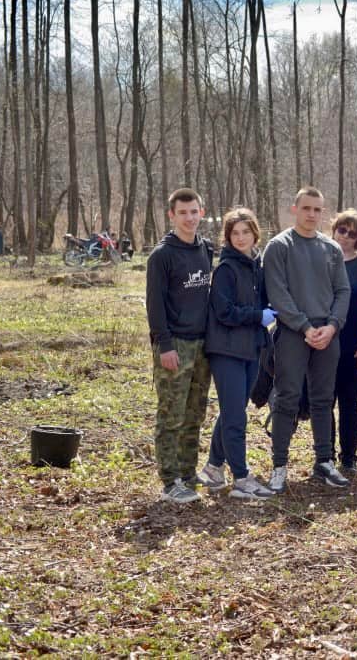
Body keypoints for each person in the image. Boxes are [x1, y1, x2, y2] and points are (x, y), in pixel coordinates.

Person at [263, 187, 352, 494]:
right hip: (292, 332)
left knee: (324, 399)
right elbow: (277, 293)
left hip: (327, 334)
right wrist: (302, 326)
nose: (312, 214)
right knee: (287, 397)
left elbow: (343, 290)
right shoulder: (279, 246)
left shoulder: (331, 249)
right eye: (306, 208)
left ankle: (324, 461)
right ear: (294, 209)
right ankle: (279, 465)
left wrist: (332, 326)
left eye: (317, 209)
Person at [197, 208, 276, 499]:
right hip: (226, 350)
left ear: (255, 233)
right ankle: (241, 478)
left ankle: (214, 468)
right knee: (234, 417)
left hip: (251, 348)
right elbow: (224, 311)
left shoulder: (257, 266)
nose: (241, 238)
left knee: (234, 411)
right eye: (235, 233)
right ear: (228, 238)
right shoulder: (226, 270)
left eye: (246, 232)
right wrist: (259, 316)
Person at [145, 187, 214, 504]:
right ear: (171, 215)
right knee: (171, 414)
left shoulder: (206, 249)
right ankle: (170, 479)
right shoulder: (162, 255)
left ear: (202, 212)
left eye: (194, 211)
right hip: (175, 345)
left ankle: (188, 471)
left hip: (202, 344)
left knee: (195, 413)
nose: (189, 218)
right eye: (182, 213)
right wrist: (165, 345)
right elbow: (155, 305)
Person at [329, 209, 357, 476]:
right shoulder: (322, 258)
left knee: (351, 400)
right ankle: (325, 455)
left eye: (352, 233)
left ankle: (349, 457)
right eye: (341, 230)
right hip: (326, 342)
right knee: (325, 400)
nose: (345, 236)